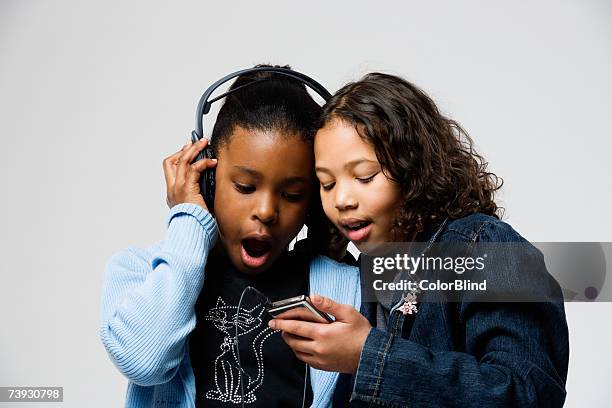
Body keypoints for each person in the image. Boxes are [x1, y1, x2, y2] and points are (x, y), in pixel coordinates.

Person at [269, 73, 570, 407]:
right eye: (327, 184)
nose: (342, 200)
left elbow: (526, 394)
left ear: (413, 167)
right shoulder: (370, 270)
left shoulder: (484, 247)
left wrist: (370, 355)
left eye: (364, 177)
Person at [99, 66, 361, 407]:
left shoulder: (347, 288)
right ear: (208, 179)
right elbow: (144, 362)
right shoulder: (137, 271)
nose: (266, 211)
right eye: (245, 187)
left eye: (293, 194)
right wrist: (189, 217)